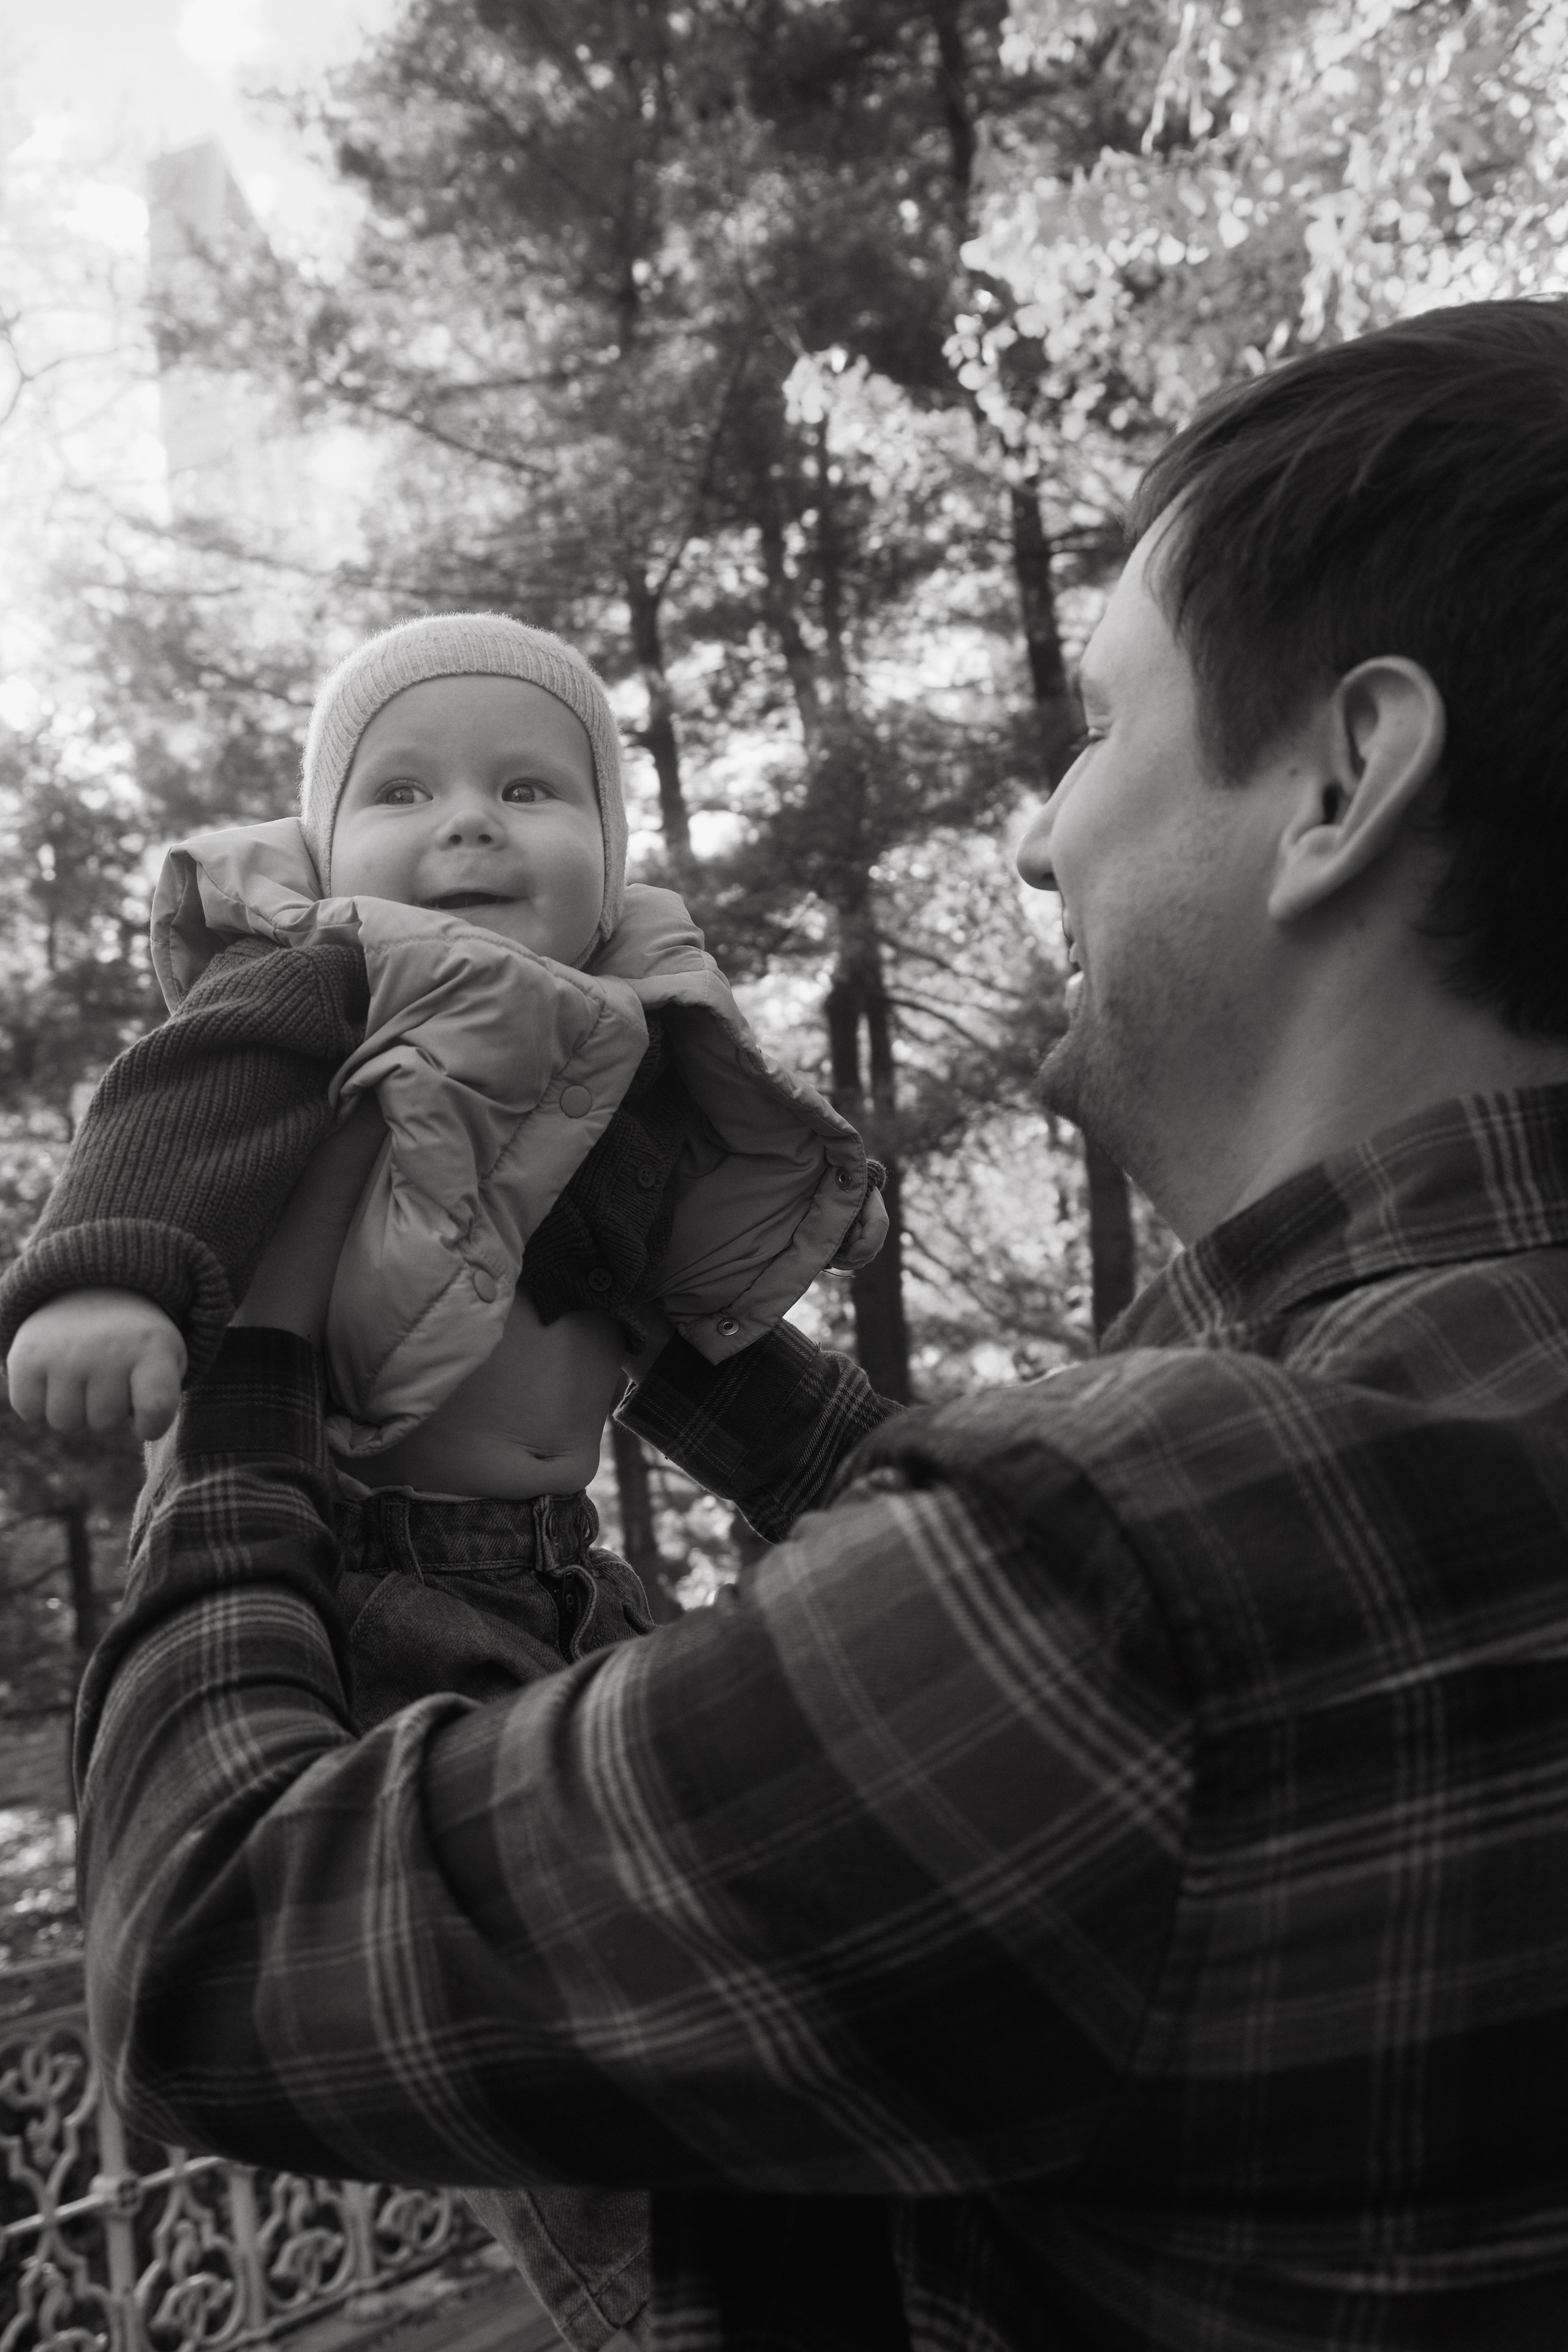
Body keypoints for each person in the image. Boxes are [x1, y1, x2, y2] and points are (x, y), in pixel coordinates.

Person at [66, 298, 1568, 2350]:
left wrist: (244, 1371)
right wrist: (716, 1369)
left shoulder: (1152, 1575)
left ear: (1347, 780)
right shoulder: (1398, 1438)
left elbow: (208, 1953)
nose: (1039, 832)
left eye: (1102, 728)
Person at [0, 612, 883, 2349]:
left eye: (530, 788)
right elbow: (185, 1099)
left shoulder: (606, 1047)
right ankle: (648, 2296)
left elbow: (660, 1325)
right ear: (330, 844)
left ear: (612, 857)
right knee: (564, 2007)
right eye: (403, 789)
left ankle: (774, 2248)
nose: (469, 823)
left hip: (571, 1579)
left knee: (688, 1898)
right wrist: (106, 1275)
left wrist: (852, 1463)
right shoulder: (339, 971)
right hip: (374, 1586)